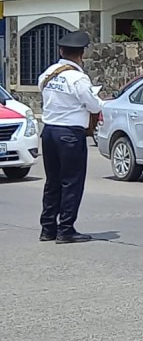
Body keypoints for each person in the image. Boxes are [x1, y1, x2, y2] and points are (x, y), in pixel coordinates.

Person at [38, 30, 104, 244]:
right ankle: (66, 229)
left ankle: (48, 228)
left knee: (53, 181)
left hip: (49, 132)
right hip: (70, 135)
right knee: (72, 182)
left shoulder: (48, 74)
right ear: (81, 54)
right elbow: (93, 105)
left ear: (60, 50)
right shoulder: (78, 78)